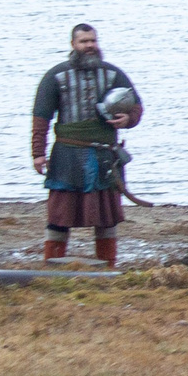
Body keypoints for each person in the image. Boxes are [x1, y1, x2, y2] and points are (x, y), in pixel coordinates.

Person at [29, 23, 141, 265]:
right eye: (84, 42)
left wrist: (128, 119)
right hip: (67, 156)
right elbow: (41, 117)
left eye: (93, 41)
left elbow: (136, 107)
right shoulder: (56, 76)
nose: (90, 46)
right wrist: (38, 153)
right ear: (73, 45)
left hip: (104, 157)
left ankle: (107, 267)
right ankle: (52, 266)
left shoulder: (113, 74)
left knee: (106, 218)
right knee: (59, 215)